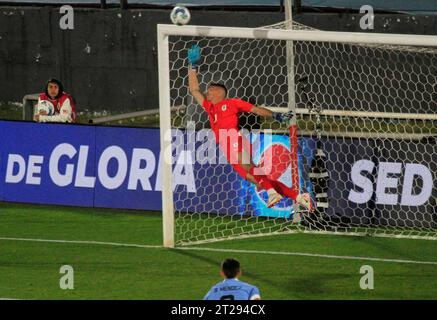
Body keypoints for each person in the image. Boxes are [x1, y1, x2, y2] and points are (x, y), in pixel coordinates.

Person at [187, 44, 313, 211]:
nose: (207, 93)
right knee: (254, 177)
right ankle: (299, 197)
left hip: (232, 137)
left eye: (209, 90)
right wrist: (192, 67)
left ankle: (271, 192)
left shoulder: (232, 103)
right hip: (225, 144)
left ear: (217, 92)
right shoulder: (210, 108)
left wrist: (274, 115)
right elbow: (194, 90)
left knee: (249, 167)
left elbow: (255, 109)